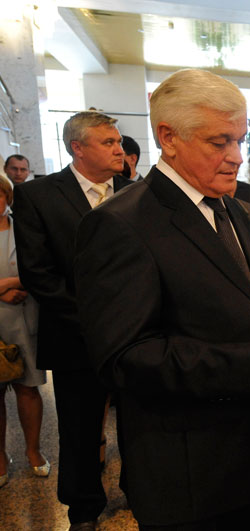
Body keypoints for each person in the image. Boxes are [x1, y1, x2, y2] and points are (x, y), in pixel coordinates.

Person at [73, 69, 250, 529]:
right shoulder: (120, 224)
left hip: (248, 452)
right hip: (185, 465)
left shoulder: (242, 213)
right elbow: (124, 358)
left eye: (240, 140)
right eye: (220, 142)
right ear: (168, 137)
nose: (237, 156)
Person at [12, 111, 132, 530]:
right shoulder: (39, 195)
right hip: (74, 332)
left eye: (118, 141)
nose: (119, 149)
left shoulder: (136, 192)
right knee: (80, 427)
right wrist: (95, 320)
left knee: (138, 421)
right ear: (77, 148)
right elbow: (37, 272)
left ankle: (140, 491)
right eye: (108, 142)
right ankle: (82, 508)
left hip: (136, 333)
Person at [0, 176, 49, 489]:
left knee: (28, 389)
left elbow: (40, 267)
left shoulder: (24, 228)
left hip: (23, 317)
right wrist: (2, 292)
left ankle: (34, 451)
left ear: (8, 197)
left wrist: (9, 285)